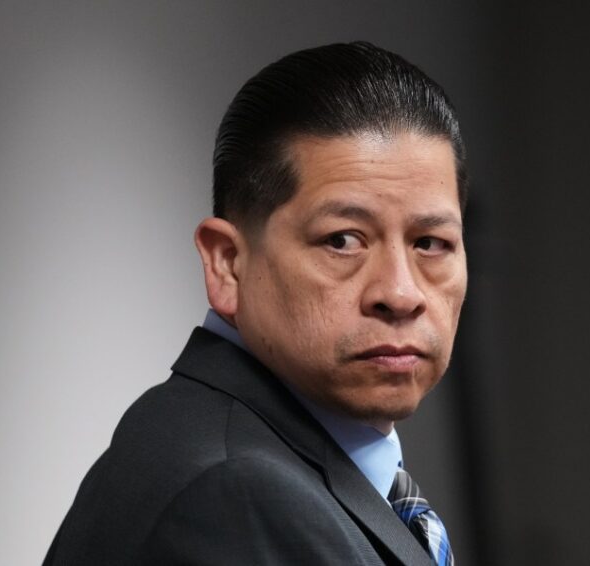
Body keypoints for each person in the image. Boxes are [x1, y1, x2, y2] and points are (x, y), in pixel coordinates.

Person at [43, 41, 468, 566]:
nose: (401, 294)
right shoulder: (237, 496)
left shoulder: (232, 450)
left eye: (430, 243)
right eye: (342, 240)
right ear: (227, 264)